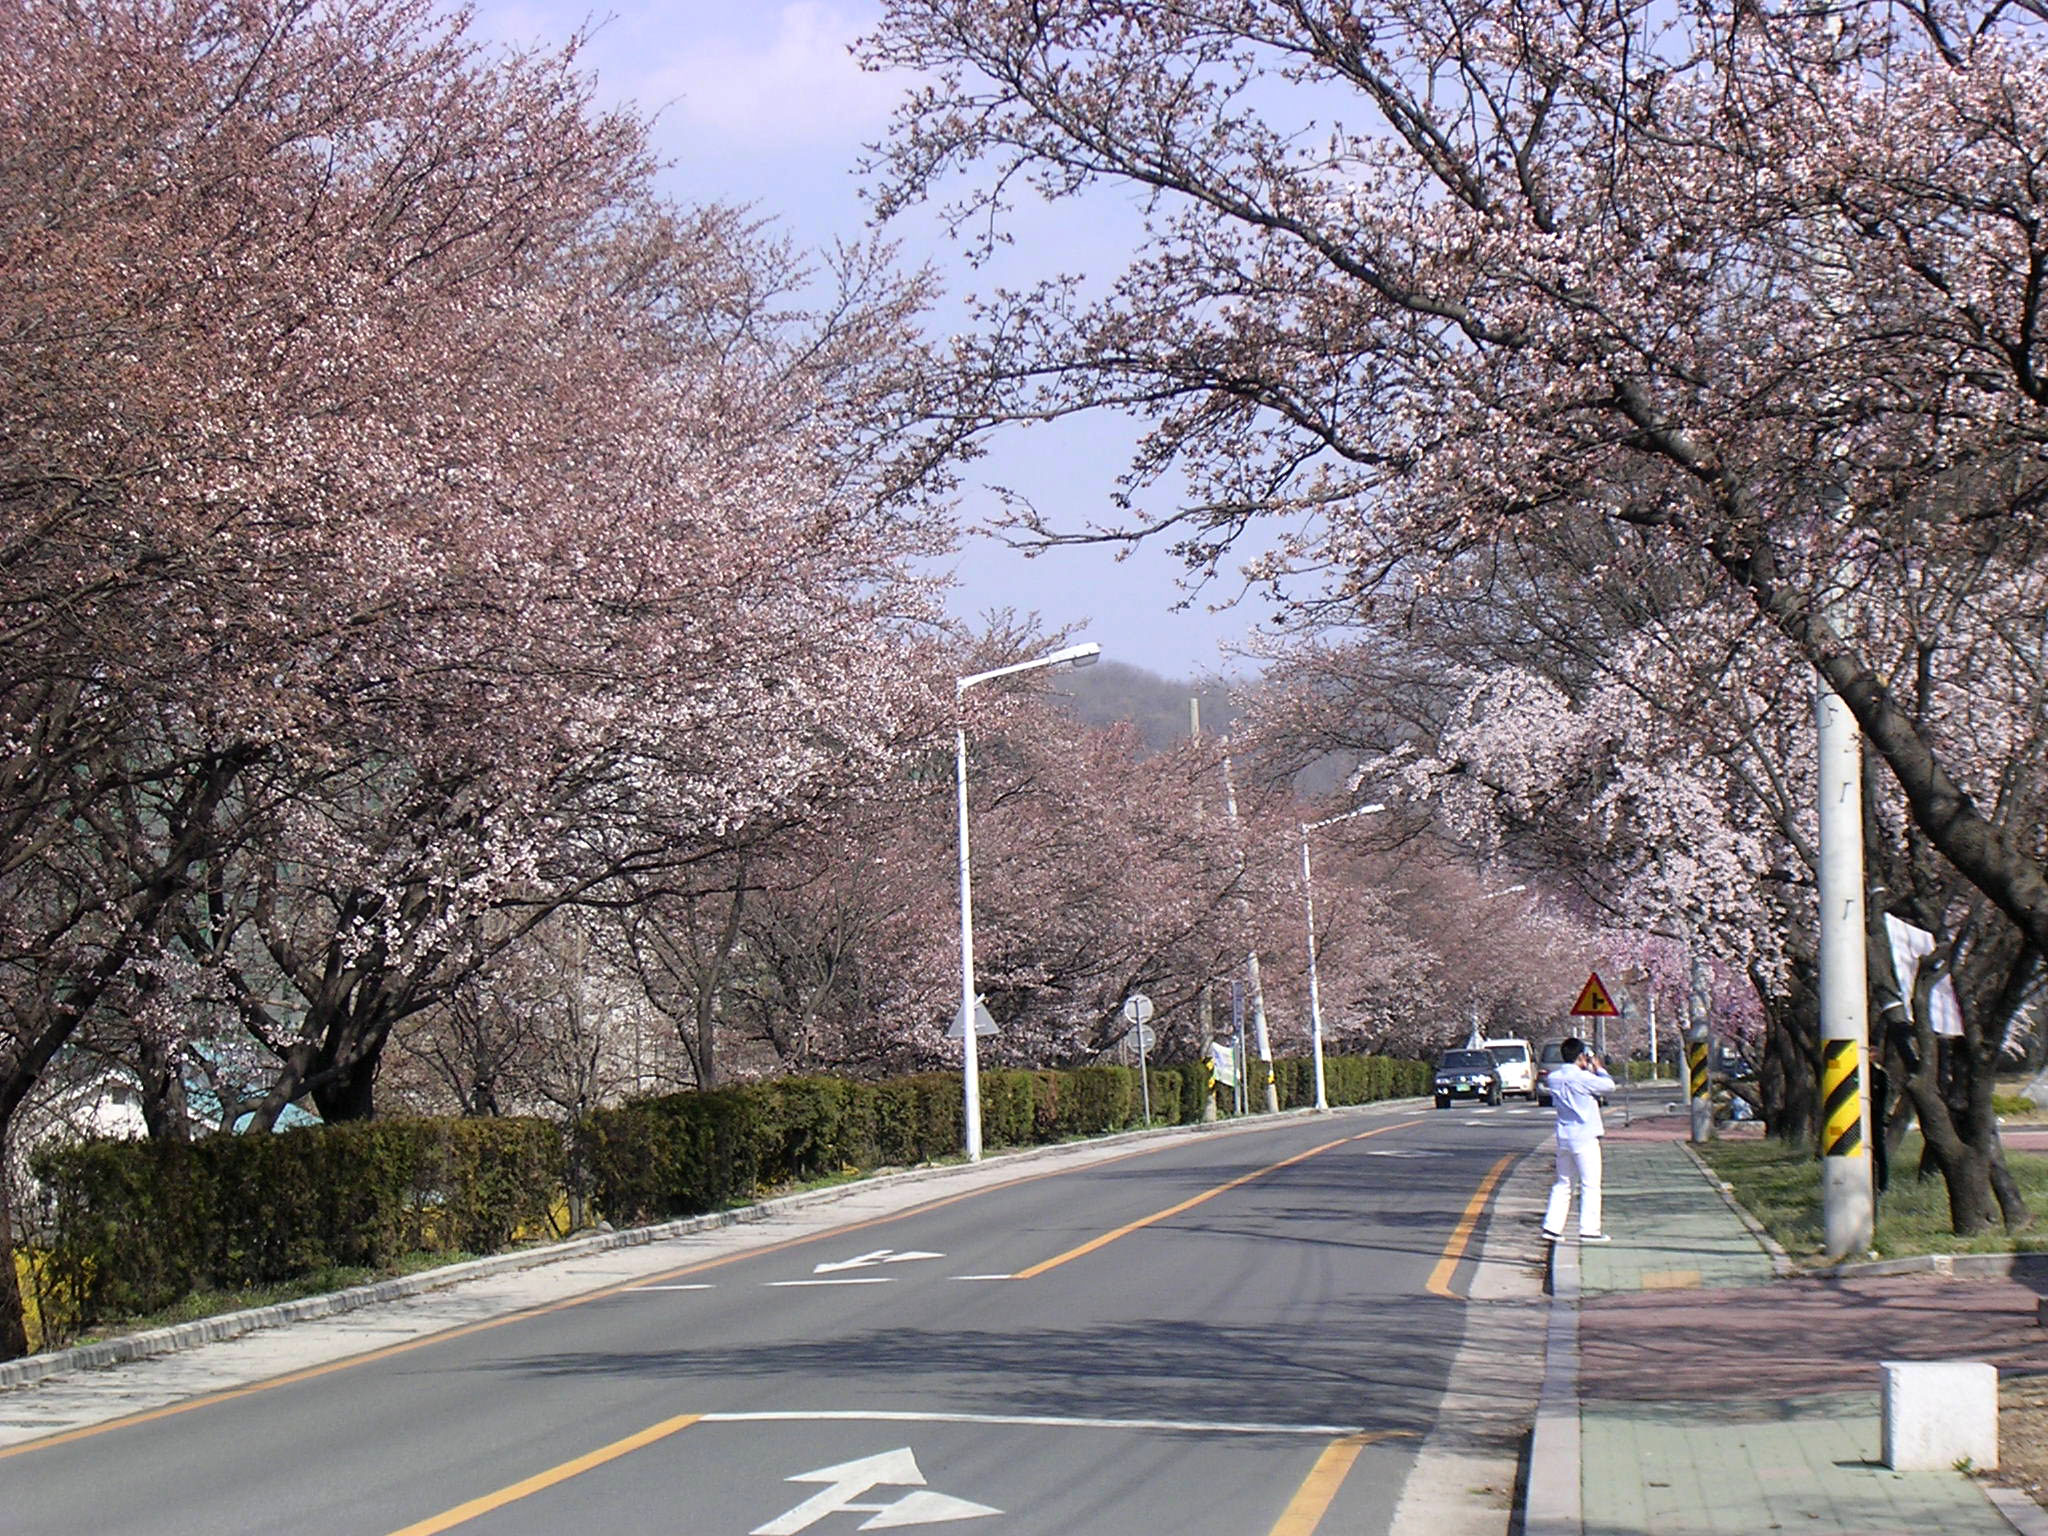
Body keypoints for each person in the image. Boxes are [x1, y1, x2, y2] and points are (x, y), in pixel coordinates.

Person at [1541, 1036, 1618, 1243]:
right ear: (1581, 1056)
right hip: (1585, 1136)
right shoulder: (1583, 1078)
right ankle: (1589, 1230)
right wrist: (1598, 1068)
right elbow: (1609, 1086)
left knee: (1564, 1182)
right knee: (1590, 1184)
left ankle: (1552, 1227)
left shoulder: (1554, 1078)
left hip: (1564, 1135)